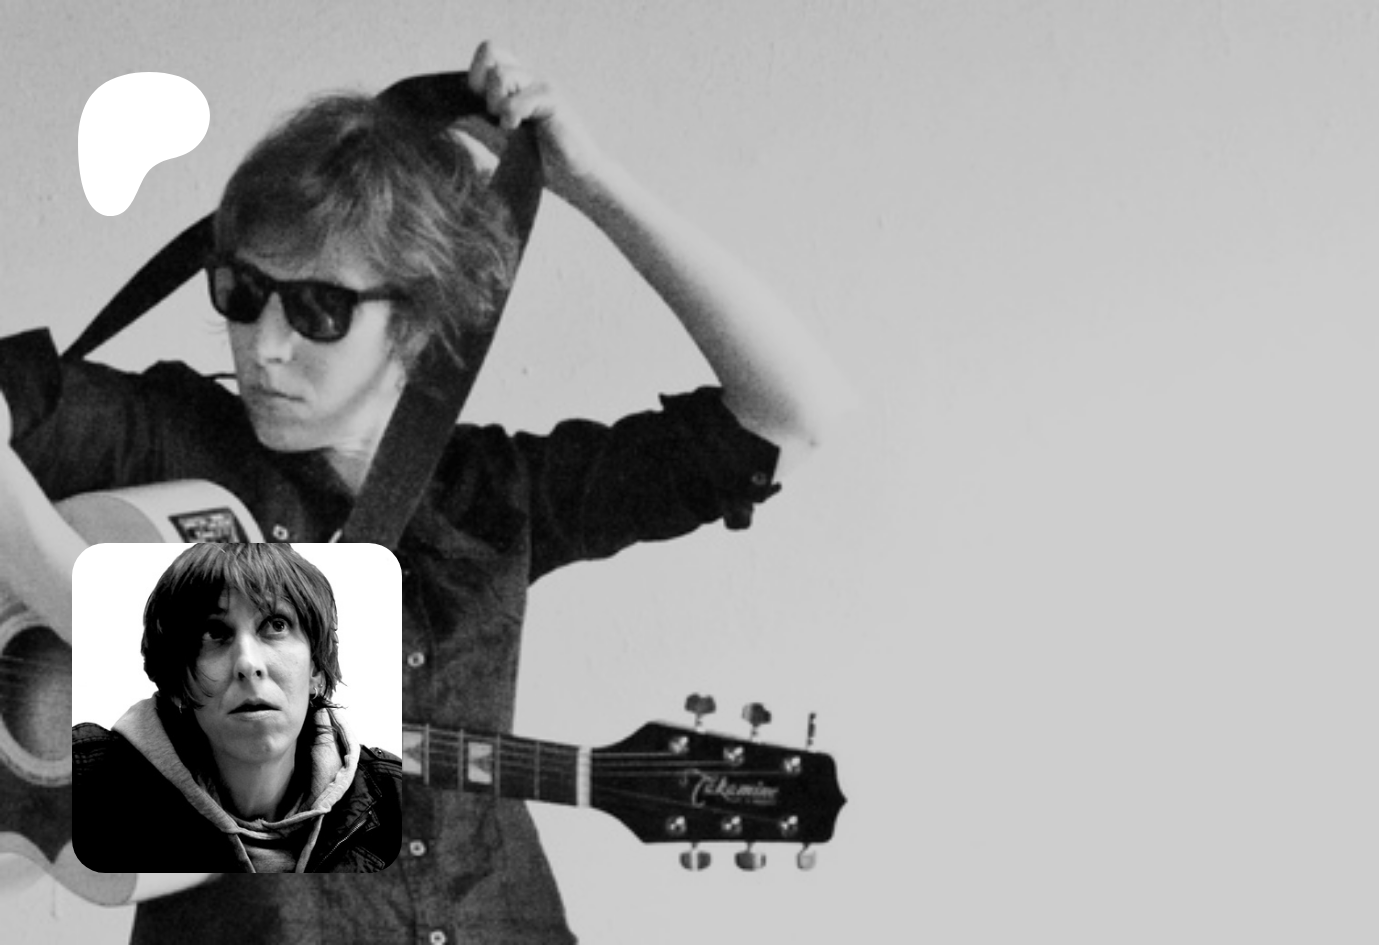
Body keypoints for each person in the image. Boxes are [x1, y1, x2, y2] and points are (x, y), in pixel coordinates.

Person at [0, 41, 853, 943]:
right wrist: (70, 589)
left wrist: (592, 184)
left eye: (318, 309)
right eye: (242, 293)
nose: (265, 346)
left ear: (417, 319)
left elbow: (792, 416)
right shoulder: (170, 436)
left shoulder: (496, 495)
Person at [71, 542, 400, 874]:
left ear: (315, 667)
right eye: (215, 632)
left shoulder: (400, 799)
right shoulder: (81, 786)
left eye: (276, 625)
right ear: (177, 679)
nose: (248, 664)